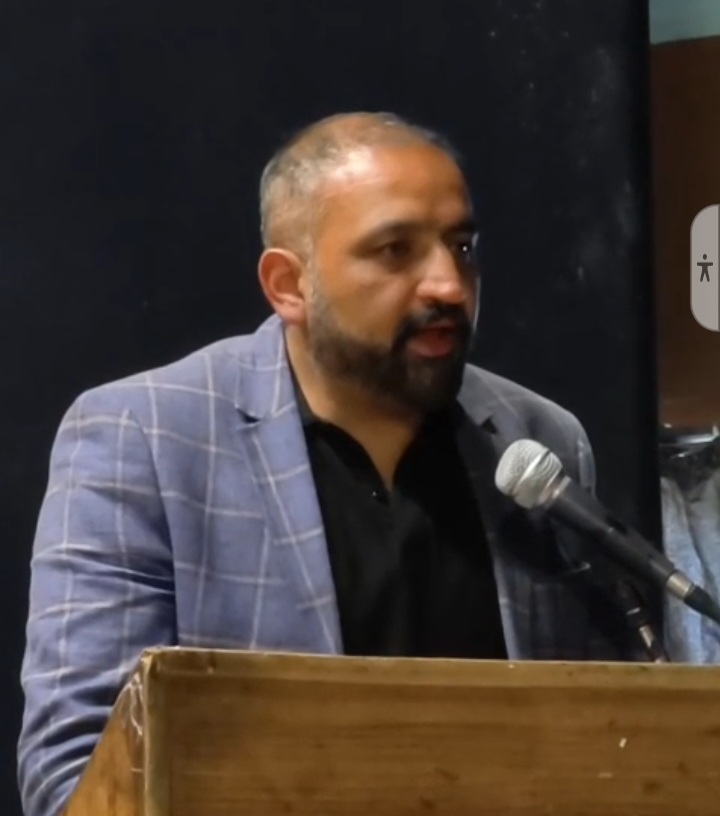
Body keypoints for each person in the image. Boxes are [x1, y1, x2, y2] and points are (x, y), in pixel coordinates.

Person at [18, 111, 642, 816]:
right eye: (395, 251)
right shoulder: (146, 438)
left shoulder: (537, 440)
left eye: (461, 246)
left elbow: (609, 741)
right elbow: (75, 772)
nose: (448, 284)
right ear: (288, 284)